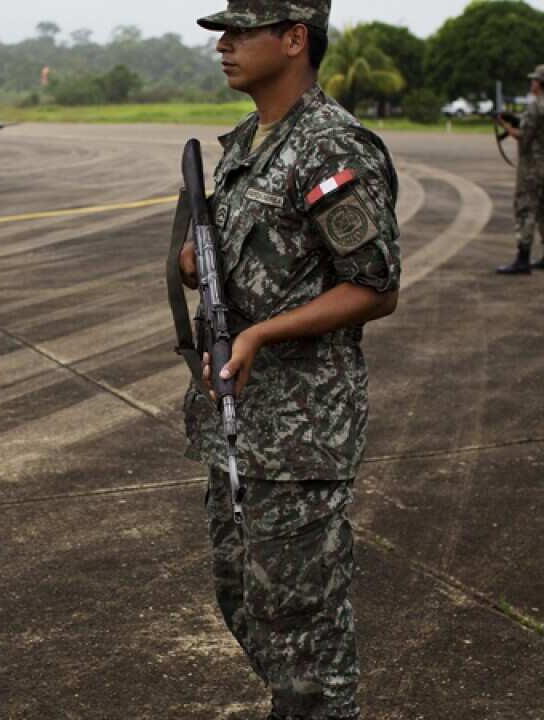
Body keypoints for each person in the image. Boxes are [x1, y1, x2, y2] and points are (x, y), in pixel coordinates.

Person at [178, 1, 401, 718]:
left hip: (303, 433)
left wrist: (260, 334)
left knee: (307, 643)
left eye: (243, 31)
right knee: (244, 601)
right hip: (243, 425)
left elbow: (374, 286)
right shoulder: (248, 140)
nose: (226, 45)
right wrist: (196, 262)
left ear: (295, 39)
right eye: (224, 32)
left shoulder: (330, 147)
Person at [496, 65, 544, 274]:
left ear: (538, 83)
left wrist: (505, 125)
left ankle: (523, 258)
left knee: (526, 209)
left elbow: (524, 136)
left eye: (533, 80)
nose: (531, 83)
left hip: (532, 167)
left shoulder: (535, 106)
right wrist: (518, 120)